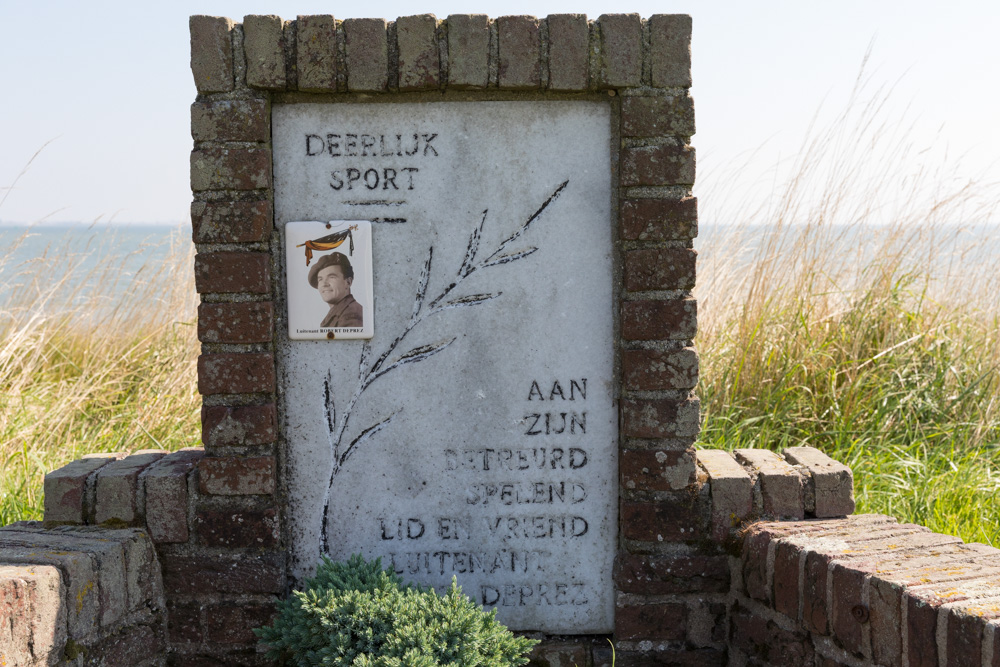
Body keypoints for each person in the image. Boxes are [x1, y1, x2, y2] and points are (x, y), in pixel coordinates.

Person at [308, 252, 363, 328]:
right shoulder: (341, 312)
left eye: (332, 277)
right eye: (320, 279)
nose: (324, 284)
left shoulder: (351, 315)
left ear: (348, 282)